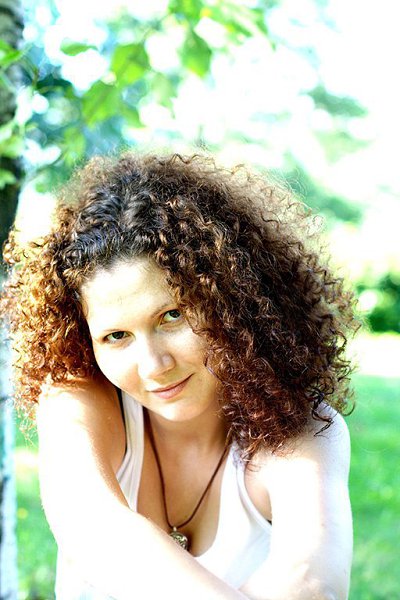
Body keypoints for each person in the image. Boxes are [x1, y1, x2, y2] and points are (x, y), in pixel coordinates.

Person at [1, 152, 358, 599]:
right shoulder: (76, 402)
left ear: (231, 300)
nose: (153, 365)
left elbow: (314, 584)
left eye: (171, 316)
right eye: (116, 336)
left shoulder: (299, 429)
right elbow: (93, 527)